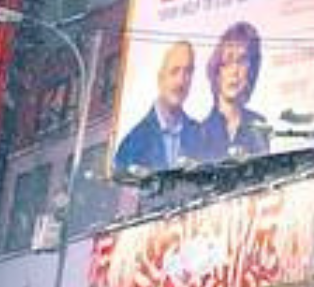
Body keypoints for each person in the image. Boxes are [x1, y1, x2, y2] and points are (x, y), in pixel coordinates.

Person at [113, 39, 208, 175]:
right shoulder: (132, 143)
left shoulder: (201, 135)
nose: (181, 81)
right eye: (174, 71)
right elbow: (123, 191)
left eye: (188, 72)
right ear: (160, 78)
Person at [199, 20, 271, 162]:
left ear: (251, 71)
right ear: (217, 71)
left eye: (242, 61)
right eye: (227, 62)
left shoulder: (259, 126)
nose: (234, 71)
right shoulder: (200, 132)